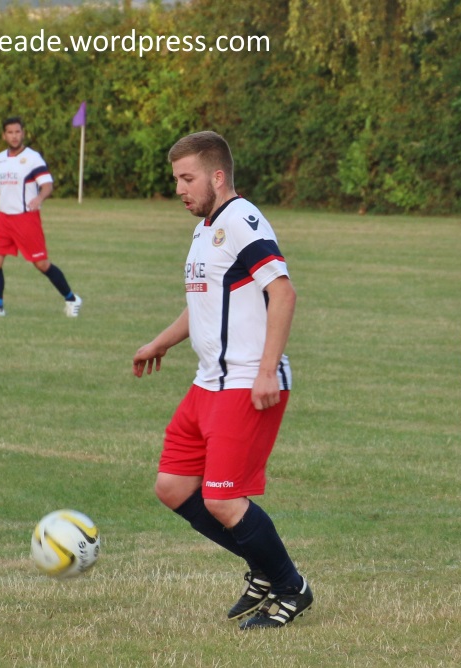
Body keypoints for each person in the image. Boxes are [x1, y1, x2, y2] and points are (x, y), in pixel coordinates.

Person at [132, 131, 312, 630]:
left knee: (222, 498)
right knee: (173, 486)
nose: (179, 189)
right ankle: (264, 567)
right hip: (207, 383)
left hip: (246, 383)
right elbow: (203, 304)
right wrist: (160, 343)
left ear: (217, 176)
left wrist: (266, 370)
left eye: (186, 179)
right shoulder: (205, 228)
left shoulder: (241, 219)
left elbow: (283, 293)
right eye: (176, 179)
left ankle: (291, 587)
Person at [0, 116, 81, 318]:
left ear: (23, 133)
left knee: (41, 263)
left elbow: (47, 185)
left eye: (18, 132)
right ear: (4, 135)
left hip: (26, 219)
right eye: (10, 132)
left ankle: (71, 298)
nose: (14, 136)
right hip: (3, 219)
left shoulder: (33, 158)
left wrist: (39, 197)